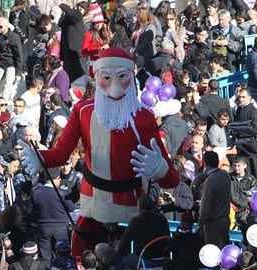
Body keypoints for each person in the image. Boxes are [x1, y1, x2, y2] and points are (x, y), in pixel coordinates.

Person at [22, 48, 179, 256]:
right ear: (98, 77)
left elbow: (172, 180)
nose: (114, 84)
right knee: (81, 254)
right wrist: (40, 156)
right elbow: (60, 154)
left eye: (121, 77)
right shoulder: (83, 111)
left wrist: (159, 168)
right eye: (106, 77)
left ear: (131, 78)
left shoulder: (143, 118)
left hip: (130, 210)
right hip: (92, 206)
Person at [32, 167, 74, 260]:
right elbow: (71, 208)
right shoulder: (62, 193)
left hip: (43, 228)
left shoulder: (36, 193)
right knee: (62, 256)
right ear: (57, 178)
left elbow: (32, 210)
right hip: (61, 228)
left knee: (45, 257)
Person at [199, 150, 231, 248]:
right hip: (225, 220)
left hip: (213, 223)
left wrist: (201, 221)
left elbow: (206, 205)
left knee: (213, 253)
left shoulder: (211, 180)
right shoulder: (225, 175)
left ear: (205, 163)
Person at [0, 16, 23, 103]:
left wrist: (18, 71)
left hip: (11, 64)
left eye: (1, 26)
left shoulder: (14, 37)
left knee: (7, 85)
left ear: (6, 26)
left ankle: (4, 103)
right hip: (0, 63)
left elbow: (19, 55)